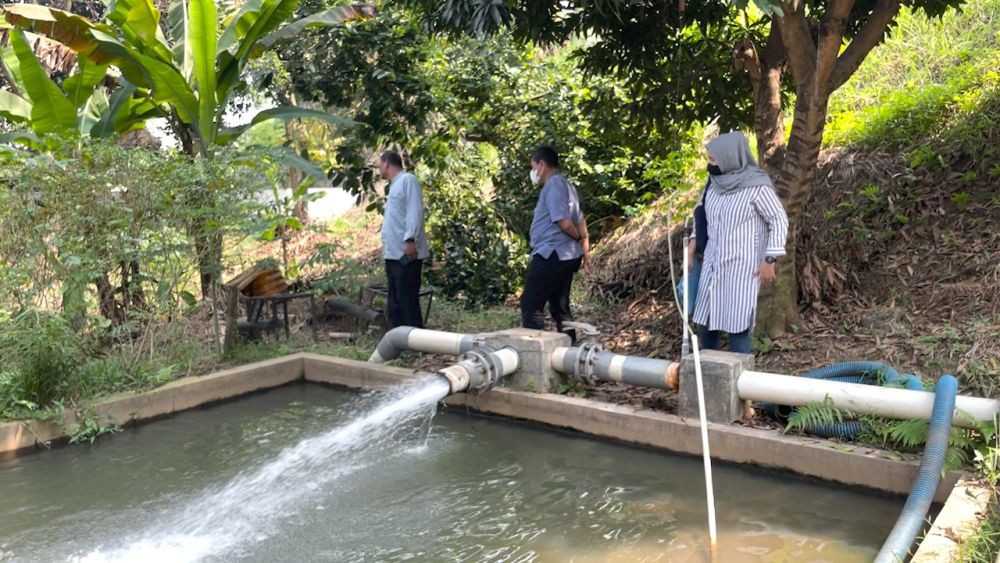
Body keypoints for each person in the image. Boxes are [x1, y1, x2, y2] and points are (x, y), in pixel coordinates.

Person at [687, 131, 789, 354]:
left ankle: (741, 381)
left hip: (743, 268)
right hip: (712, 265)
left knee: (738, 328)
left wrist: (769, 260)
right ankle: (709, 376)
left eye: (713, 158)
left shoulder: (757, 186)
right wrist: (693, 245)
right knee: (705, 324)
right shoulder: (713, 184)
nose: (709, 162)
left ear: (730, 157)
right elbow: (702, 215)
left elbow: (779, 220)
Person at [520, 146, 591, 342]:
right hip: (566, 255)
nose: (533, 172)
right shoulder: (567, 186)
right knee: (559, 307)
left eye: (533, 167)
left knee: (530, 303)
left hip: (552, 253)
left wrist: (578, 239)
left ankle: (535, 351)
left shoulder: (554, 185)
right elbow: (581, 220)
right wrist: (585, 250)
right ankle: (569, 351)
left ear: (542, 165)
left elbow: (564, 223)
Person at [379, 150, 429, 328]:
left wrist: (410, 239)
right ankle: (399, 339)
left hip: (406, 252)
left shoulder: (408, 180)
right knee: (395, 300)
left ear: (386, 164)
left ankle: (415, 339)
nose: (379, 168)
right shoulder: (394, 185)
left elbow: (414, 211)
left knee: (407, 299)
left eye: (380, 164)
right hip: (393, 254)